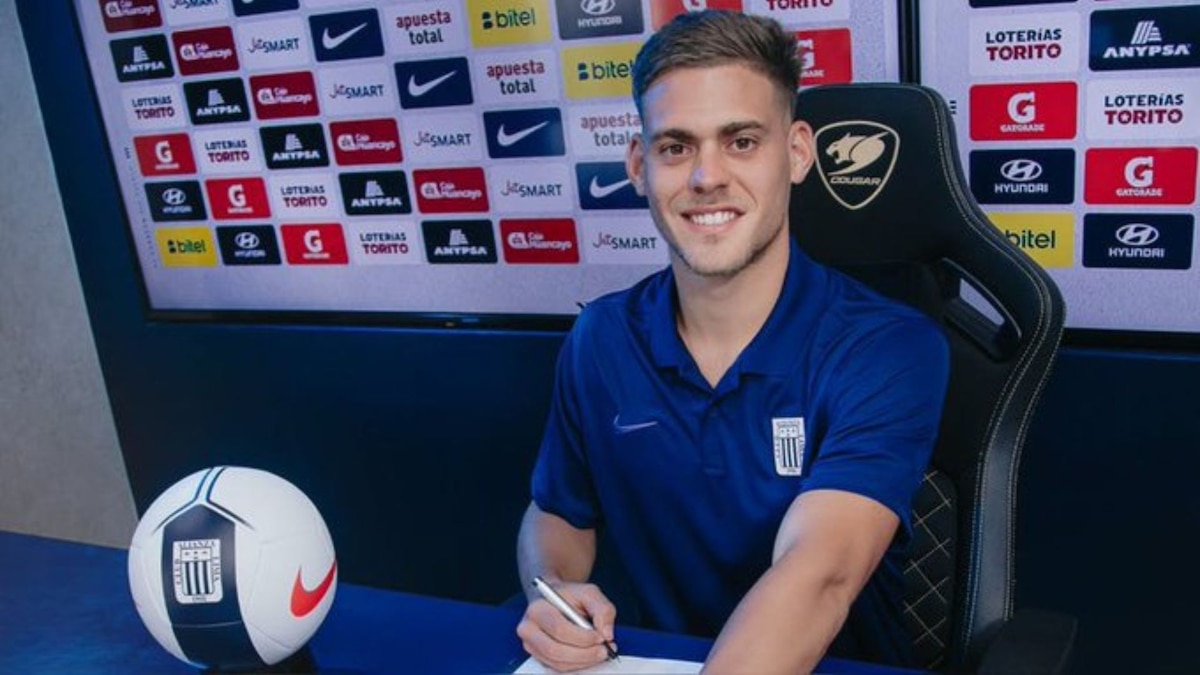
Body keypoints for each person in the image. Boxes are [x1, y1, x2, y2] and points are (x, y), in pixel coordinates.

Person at [516, 9, 949, 674]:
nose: (706, 177)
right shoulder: (600, 337)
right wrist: (553, 589)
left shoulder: (887, 347)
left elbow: (820, 573)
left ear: (798, 151)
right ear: (639, 164)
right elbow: (557, 514)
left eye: (741, 141)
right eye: (676, 146)